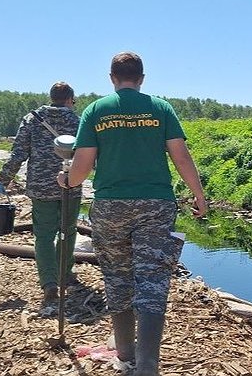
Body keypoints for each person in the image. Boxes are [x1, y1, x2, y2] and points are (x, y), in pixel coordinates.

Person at [58, 51, 207, 376]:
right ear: (141, 78)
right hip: (156, 205)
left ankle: (125, 356)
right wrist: (199, 195)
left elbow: (81, 168)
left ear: (112, 78)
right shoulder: (161, 108)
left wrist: (66, 180)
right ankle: (148, 366)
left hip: (110, 208)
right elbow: (181, 157)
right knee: (152, 282)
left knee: (117, 279)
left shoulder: (97, 110)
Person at [0, 82, 82, 301]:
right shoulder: (77, 121)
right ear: (70, 99)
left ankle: (49, 282)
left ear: (51, 97)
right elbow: (90, 153)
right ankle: (65, 274)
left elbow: (18, 154)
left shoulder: (32, 119)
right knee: (68, 230)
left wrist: (3, 181)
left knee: (44, 235)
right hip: (71, 184)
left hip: (41, 186)